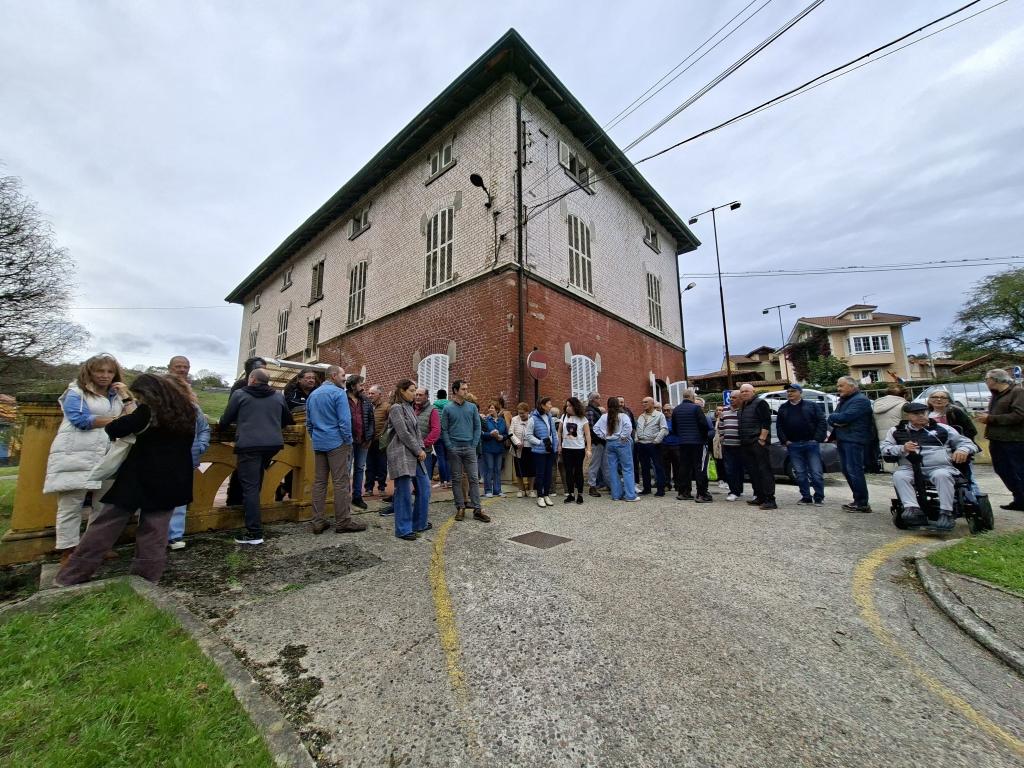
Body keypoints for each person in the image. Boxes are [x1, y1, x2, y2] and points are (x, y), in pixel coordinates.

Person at [55, 374, 197, 585]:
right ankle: (147, 578)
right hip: (173, 478)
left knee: (106, 524)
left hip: (140, 476)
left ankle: (74, 573)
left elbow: (115, 428)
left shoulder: (147, 412)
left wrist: (128, 403)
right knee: (155, 530)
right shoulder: (187, 412)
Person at [43, 353, 128, 564]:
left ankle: (94, 546)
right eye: (100, 371)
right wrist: (116, 421)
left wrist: (126, 395)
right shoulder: (76, 392)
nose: (105, 375)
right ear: (89, 371)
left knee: (103, 505)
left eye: (109, 371)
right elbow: (80, 419)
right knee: (71, 503)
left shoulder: (116, 396)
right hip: (76, 453)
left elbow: (134, 417)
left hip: (108, 454)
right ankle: (68, 549)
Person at [219, 368, 294, 544]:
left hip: (249, 445)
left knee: (250, 487)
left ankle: (254, 533)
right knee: (256, 482)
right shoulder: (277, 396)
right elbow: (288, 420)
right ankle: (255, 521)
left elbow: (225, 421)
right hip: (272, 445)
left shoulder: (240, 394)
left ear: (252, 379)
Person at [881, 401, 978, 531]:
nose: (921, 416)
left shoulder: (943, 428)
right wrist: (901, 448)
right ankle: (912, 509)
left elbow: (968, 443)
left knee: (942, 475)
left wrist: (963, 450)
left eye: (924, 413)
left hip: (939, 467)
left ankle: (946, 513)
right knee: (899, 475)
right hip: (910, 467)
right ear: (908, 416)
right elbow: (885, 449)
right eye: (916, 414)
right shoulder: (896, 430)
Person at [305, 365, 367, 535]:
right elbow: (345, 422)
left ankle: (317, 521)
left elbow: (308, 423)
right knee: (340, 483)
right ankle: (343, 521)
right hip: (337, 443)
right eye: (342, 376)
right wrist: (347, 442)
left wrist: (315, 437)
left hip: (319, 443)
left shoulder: (313, 394)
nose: (344, 380)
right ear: (333, 376)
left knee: (319, 483)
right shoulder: (338, 393)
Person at [166, 355, 211, 550]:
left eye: (185, 367)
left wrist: (200, 446)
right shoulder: (159, 399)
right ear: (170, 368)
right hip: (161, 456)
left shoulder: (193, 406)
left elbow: (204, 428)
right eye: (178, 366)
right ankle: (155, 536)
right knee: (156, 498)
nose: (182, 369)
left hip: (187, 456)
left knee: (180, 498)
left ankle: (175, 536)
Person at [387, 379, 431, 540]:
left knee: (425, 488)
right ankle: (403, 529)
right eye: (412, 390)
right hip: (401, 454)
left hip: (415, 453)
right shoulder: (396, 408)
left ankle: (419, 523)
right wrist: (418, 449)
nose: (415, 394)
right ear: (402, 391)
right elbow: (403, 433)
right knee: (404, 492)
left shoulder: (409, 407)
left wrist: (421, 449)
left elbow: (416, 432)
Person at [977, 368, 1024, 511]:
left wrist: (990, 418)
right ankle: (1019, 499)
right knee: (1003, 470)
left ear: (995, 380)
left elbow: (1019, 415)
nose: (986, 382)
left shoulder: (1017, 392)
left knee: (1019, 471)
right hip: (997, 439)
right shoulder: (996, 395)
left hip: (1014, 440)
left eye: (987, 379)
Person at [441, 380, 488, 522]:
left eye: (466, 389)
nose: (466, 391)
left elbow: (477, 427)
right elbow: (444, 429)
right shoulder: (447, 409)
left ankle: (477, 509)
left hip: (469, 447)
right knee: (456, 479)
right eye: (463, 389)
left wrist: (473, 444)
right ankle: (460, 507)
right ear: (455, 391)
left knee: (474, 478)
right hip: (454, 448)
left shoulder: (472, 407)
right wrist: (449, 446)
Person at [828, 376, 874, 513]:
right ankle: (857, 500)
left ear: (852, 386)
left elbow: (844, 417)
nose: (838, 389)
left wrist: (838, 419)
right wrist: (837, 420)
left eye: (841, 386)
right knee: (847, 470)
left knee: (854, 471)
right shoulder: (845, 400)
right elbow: (832, 418)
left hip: (854, 440)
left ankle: (862, 502)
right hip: (843, 439)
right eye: (838, 386)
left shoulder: (860, 400)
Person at [776, 383, 826, 506]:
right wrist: (785, 441)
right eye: (788, 391)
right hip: (793, 445)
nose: (790, 393)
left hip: (811, 443)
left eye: (792, 391)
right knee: (800, 473)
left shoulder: (812, 406)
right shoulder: (783, 408)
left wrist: (817, 439)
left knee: (816, 472)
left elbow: (821, 422)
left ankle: (819, 497)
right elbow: (779, 426)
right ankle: (806, 497)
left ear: (800, 392)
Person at [226, 356, 268, 504]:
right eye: (259, 368)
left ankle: (250, 508)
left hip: (264, 440)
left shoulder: (269, 390)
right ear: (249, 371)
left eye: (264, 367)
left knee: (257, 475)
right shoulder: (240, 387)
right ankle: (234, 503)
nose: (262, 370)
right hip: (245, 437)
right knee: (240, 473)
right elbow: (230, 413)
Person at [736, 384, 775, 509]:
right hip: (746, 443)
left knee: (764, 471)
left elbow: (766, 422)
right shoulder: (743, 406)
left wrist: (762, 439)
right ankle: (760, 496)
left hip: (757, 442)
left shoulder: (760, 403)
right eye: (742, 392)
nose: (744, 393)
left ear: (753, 391)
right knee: (753, 472)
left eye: (747, 391)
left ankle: (770, 500)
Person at [593, 398, 638, 502]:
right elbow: (628, 427)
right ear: (618, 405)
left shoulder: (604, 416)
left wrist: (604, 436)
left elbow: (595, 428)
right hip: (622, 443)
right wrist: (623, 436)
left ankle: (616, 495)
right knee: (627, 469)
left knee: (612, 470)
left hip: (610, 443)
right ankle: (630, 495)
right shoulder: (623, 416)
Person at [671, 389, 712, 503]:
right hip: (698, 442)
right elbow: (704, 425)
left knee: (684, 467)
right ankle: (701, 494)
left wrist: (682, 436)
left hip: (683, 442)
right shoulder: (696, 408)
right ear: (692, 397)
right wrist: (704, 437)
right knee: (700, 468)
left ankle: (684, 492)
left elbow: (674, 428)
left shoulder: (676, 410)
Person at [346, 375, 376, 510]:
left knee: (359, 469)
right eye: (360, 385)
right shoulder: (342, 398)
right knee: (345, 470)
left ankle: (357, 497)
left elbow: (371, 420)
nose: (363, 387)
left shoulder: (366, 401)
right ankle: (344, 499)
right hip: (348, 441)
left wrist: (369, 438)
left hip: (363, 441)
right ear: (352, 386)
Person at [525, 397, 559, 507]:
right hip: (539, 452)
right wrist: (540, 442)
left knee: (548, 474)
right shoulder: (532, 418)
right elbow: (528, 435)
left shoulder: (549, 417)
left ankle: (546, 495)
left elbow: (554, 433)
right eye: (549, 404)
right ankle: (540, 496)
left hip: (550, 451)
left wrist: (556, 446)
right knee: (540, 474)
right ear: (542, 405)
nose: (551, 405)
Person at [559, 397, 591, 504]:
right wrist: (559, 445)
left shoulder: (583, 419)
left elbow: (587, 435)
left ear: (575, 406)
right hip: (566, 449)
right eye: (566, 405)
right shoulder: (563, 417)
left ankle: (580, 494)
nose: (567, 407)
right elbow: (559, 432)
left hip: (579, 449)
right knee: (568, 472)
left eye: (569, 405)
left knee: (578, 471)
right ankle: (571, 494)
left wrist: (589, 449)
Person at [636, 396, 668, 496]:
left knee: (658, 467)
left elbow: (664, 429)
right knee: (644, 467)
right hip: (642, 444)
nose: (643, 404)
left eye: (646, 402)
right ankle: (647, 488)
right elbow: (637, 428)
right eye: (643, 402)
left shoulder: (659, 415)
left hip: (654, 444)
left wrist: (657, 440)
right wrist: (636, 439)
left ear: (652, 404)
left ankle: (661, 489)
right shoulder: (641, 416)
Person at [718, 390, 744, 501]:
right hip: (728, 445)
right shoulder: (725, 410)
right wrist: (722, 437)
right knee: (729, 469)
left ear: (740, 399)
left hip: (741, 445)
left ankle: (739, 490)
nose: (731, 399)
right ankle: (733, 491)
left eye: (734, 397)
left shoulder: (743, 410)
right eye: (731, 397)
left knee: (741, 469)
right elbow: (721, 425)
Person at [365, 384, 390, 496]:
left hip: (381, 441)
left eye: (372, 393)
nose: (370, 395)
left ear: (379, 394)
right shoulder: (367, 406)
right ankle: (369, 488)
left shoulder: (386, 407)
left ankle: (381, 488)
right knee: (369, 466)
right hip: (368, 441)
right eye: (369, 393)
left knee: (381, 465)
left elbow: (390, 423)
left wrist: (385, 436)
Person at [480, 402, 508, 498]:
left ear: (497, 409)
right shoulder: (485, 420)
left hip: (499, 448)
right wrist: (490, 434)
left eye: (492, 408)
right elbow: (482, 434)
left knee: (497, 469)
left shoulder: (502, 421)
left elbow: (506, 434)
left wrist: (502, 437)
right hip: (488, 448)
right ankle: (488, 490)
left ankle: (497, 490)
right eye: (489, 408)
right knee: (489, 469)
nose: (490, 410)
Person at [509, 402, 535, 497]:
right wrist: (517, 442)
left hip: (530, 448)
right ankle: (521, 490)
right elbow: (511, 433)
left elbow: (535, 433)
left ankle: (531, 490)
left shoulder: (533, 420)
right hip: (518, 449)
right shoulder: (514, 419)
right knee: (519, 470)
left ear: (528, 412)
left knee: (531, 470)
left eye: (523, 413)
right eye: (519, 413)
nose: (521, 415)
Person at [584, 392, 607, 496]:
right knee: (594, 465)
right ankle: (592, 486)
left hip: (600, 442)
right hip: (596, 442)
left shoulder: (595, 410)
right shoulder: (590, 411)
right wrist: (599, 438)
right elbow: (591, 429)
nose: (600, 400)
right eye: (598, 398)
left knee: (603, 465)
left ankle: (608, 485)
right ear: (593, 399)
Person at [431, 388, 451, 488]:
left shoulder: (434, 407)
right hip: (448, 435)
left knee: (440, 458)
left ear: (437, 396)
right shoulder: (451, 406)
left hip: (438, 435)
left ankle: (443, 481)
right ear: (446, 396)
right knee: (448, 458)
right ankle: (450, 480)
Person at [661, 403, 681, 492]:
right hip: (664, 445)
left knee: (677, 466)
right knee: (665, 466)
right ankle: (667, 484)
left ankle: (678, 484)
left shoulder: (677, 419)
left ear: (672, 411)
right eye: (664, 410)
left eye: (668, 410)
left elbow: (677, 430)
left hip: (676, 445)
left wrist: (666, 430)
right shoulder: (662, 420)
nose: (666, 412)